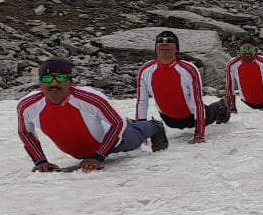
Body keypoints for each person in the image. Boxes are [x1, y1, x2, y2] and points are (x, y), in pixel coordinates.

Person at [18, 58, 167, 172]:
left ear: (70, 82)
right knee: (120, 122)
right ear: (40, 83)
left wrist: (98, 157)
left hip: (116, 140)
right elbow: (25, 132)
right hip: (80, 152)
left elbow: (117, 124)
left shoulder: (90, 98)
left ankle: (154, 125)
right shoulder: (27, 105)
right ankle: (130, 122)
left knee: (134, 134)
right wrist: (40, 162)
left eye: (61, 78)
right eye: (47, 79)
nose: (54, 84)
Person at [134, 30, 229, 145]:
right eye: (160, 41)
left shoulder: (188, 69)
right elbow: (142, 102)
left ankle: (222, 105)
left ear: (177, 48)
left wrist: (199, 135)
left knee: (210, 112)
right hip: (169, 119)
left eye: (170, 41)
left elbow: (197, 102)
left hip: (192, 115)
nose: (164, 44)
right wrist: (140, 135)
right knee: (172, 122)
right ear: (155, 47)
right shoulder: (145, 70)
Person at [224, 37, 263, 112]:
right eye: (244, 49)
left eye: (250, 49)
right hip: (247, 103)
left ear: (255, 50)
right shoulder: (232, 64)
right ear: (239, 50)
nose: (247, 51)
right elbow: (229, 87)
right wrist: (233, 107)